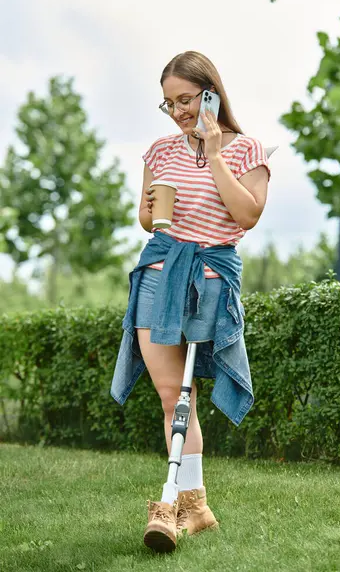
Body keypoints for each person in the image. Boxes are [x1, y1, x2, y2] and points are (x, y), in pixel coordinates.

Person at [110, 50, 271, 553]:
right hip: (158, 272)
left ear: (210, 94)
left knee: (185, 392)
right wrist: (155, 209)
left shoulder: (247, 149)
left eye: (185, 100)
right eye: (168, 103)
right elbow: (145, 216)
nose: (178, 111)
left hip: (208, 275)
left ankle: (179, 505)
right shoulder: (159, 151)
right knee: (169, 394)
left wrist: (215, 153)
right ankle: (193, 506)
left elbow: (246, 215)